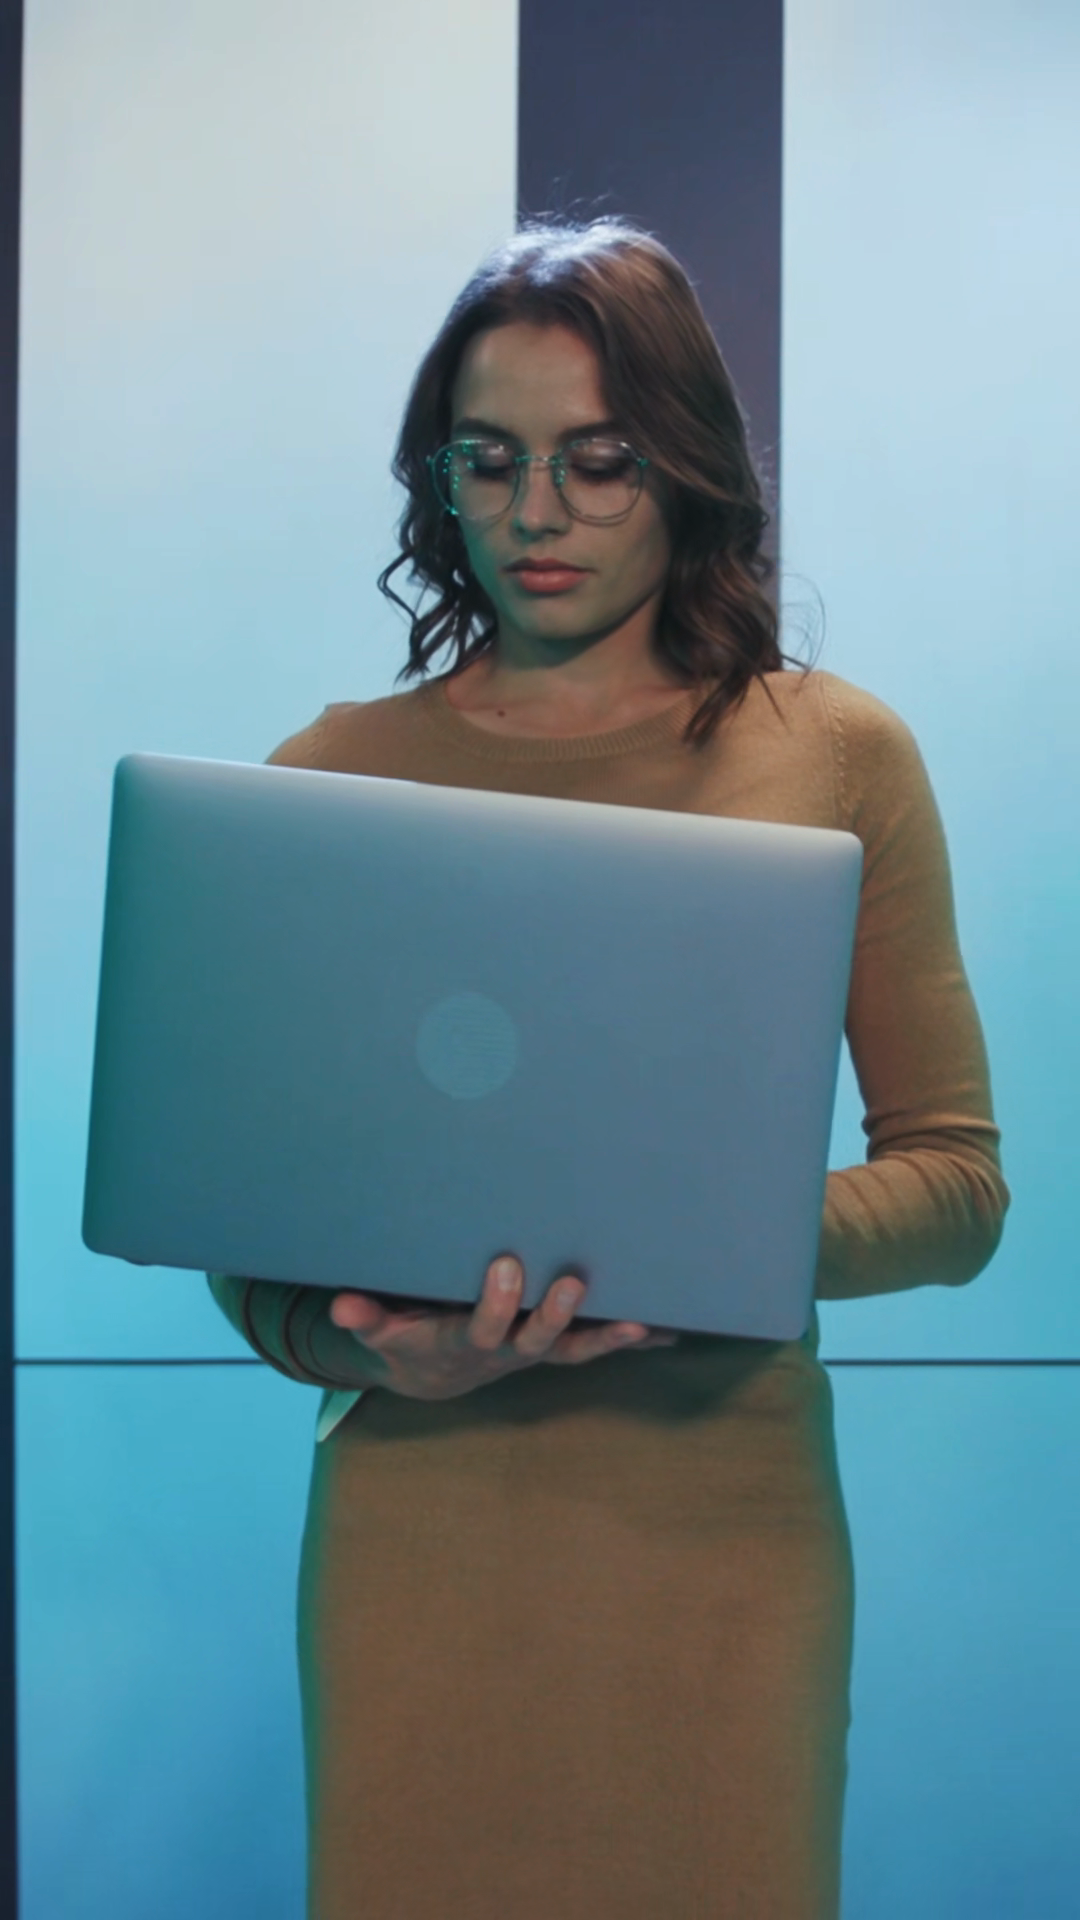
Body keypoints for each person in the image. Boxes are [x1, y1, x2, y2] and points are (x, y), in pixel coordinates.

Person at [207, 216, 1010, 1919]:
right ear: (439, 482)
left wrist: (696, 1238)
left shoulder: (837, 751)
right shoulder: (330, 777)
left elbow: (956, 1185)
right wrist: (373, 1349)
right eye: (488, 460)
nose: (537, 511)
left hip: (723, 1535)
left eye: (596, 459)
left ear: (684, 465)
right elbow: (252, 1241)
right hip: (420, 1532)